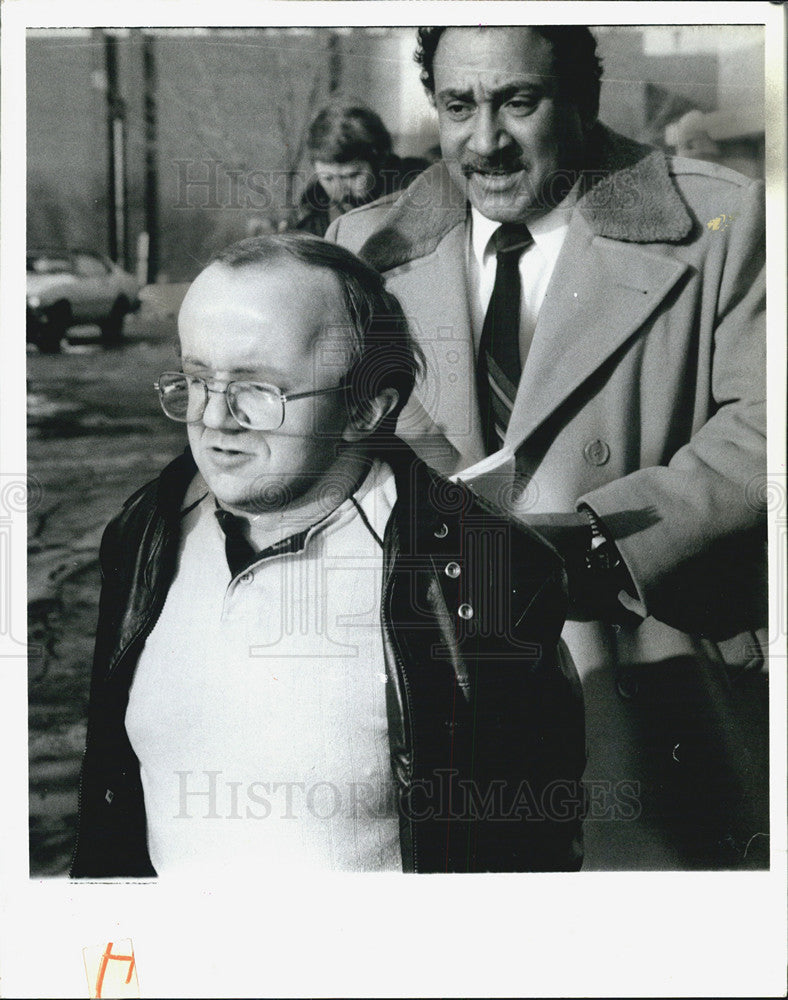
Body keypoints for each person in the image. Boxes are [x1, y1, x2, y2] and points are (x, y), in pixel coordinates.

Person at [328, 26, 768, 869]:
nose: (484, 140)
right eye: (459, 105)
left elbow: (768, 421)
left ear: (581, 97)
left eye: (517, 102)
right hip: (436, 704)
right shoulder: (361, 249)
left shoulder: (724, 218)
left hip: (655, 687)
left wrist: (611, 541)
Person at [70, 233, 584, 878]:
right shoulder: (146, 530)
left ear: (368, 407)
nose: (214, 418)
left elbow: (525, 862)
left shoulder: (478, 573)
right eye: (196, 378)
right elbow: (110, 809)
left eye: (259, 388)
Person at [294, 104, 427, 237]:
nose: (339, 189)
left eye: (352, 175)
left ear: (381, 160)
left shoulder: (422, 191)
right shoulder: (313, 221)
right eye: (328, 178)